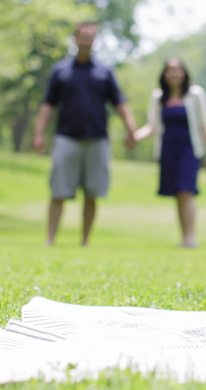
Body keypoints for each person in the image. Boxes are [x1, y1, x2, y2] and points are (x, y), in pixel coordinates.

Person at [32, 21, 137, 247]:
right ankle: (50, 239)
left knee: (92, 193)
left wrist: (131, 128)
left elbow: (119, 102)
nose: (87, 40)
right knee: (59, 190)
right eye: (83, 36)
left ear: (95, 40)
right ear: (75, 38)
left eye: (91, 37)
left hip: (97, 140)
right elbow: (48, 104)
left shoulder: (104, 71)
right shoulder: (60, 71)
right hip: (66, 138)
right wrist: (38, 134)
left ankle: (85, 240)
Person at [134, 58, 206, 248]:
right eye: (170, 70)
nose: (174, 73)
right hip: (168, 150)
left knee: (187, 191)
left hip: (189, 149)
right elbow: (152, 126)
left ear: (184, 73)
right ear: (164, 74)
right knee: (177, 193)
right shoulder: (158, 97)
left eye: (177, 70)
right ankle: (184, 236)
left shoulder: (195, 94)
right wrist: (135, 136)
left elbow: (204, 125)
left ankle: (190, 238)